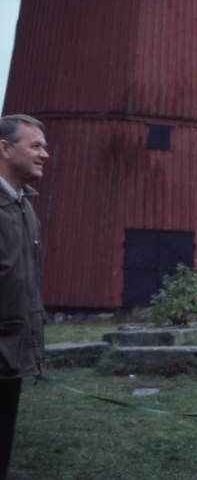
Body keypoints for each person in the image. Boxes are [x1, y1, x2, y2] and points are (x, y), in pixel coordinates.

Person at [0, 115, 48, 480]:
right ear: (4, 148)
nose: (44, 154)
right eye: (35, 146)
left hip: (11, 354)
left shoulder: (24, 207)